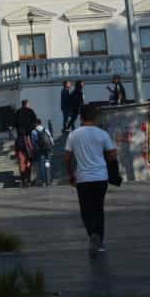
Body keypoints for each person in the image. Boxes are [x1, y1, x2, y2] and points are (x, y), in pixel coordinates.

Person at [65, 103, 119, 257]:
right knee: (98, 209)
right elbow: (112, 154)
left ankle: (92, 234)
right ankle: (99, 241)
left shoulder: (73, 135)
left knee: (86, 210)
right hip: (101, 177)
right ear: (95, 117)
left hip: (83, 178)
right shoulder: (102, 134)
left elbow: (67, 158)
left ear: (81, 117)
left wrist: (70, 174)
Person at [13, 100, 38, 187]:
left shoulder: (17, 112)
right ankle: (28, 178)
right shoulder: (30, 111)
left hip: (20, 139)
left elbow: (14, 124)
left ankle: (23, 179)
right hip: (28, 138)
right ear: (27, 104)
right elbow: (34, 123)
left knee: (21, 160)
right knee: (29, 159)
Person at [30, 119, 54, 185]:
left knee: (41, 165)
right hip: (48, 150)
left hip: (40, 151)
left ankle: (44, 181)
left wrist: (34, 150)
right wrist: (51, 148)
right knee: (47, 164)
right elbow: (51, 139)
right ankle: (48, 180)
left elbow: (33, 142)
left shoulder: (33, 131)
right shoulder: (46, 129)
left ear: (36, 123)